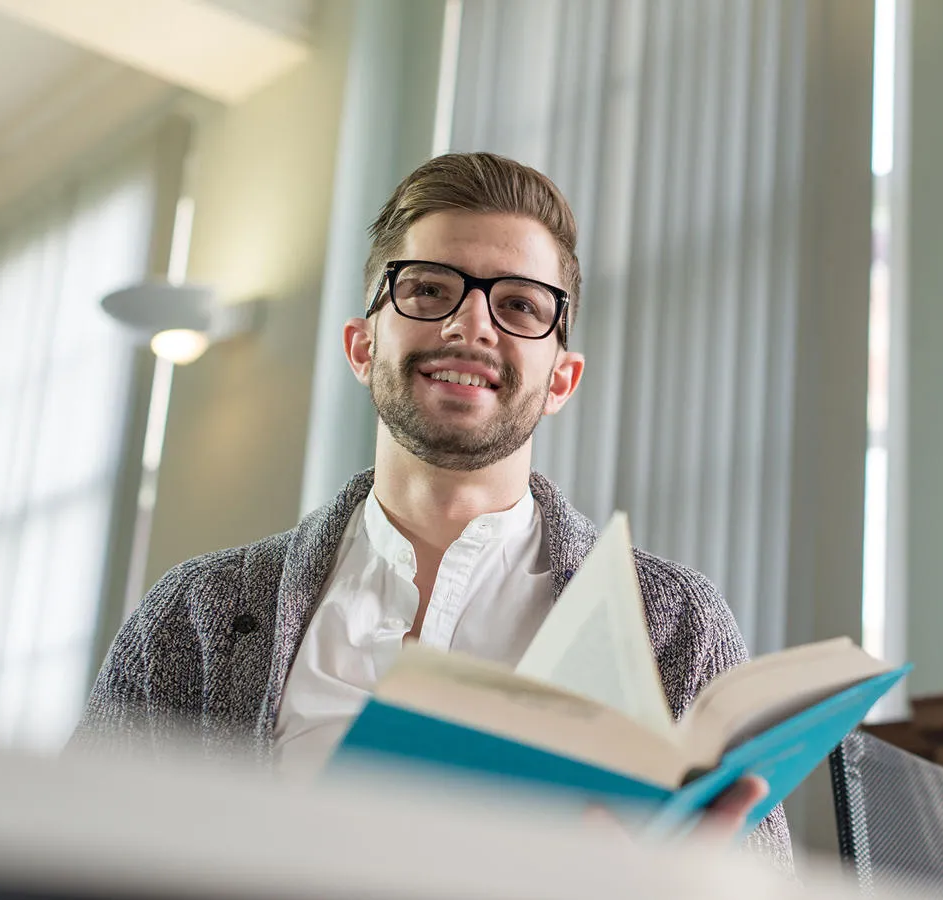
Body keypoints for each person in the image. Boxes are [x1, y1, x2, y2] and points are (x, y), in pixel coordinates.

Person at [72, 152, 793, 871]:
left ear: (561, 380)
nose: (470, 324)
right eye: (428, 289)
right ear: (362, 346)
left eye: (518, 305)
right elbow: (61, 858)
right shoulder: (195, 613)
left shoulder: (676, 624)